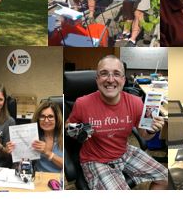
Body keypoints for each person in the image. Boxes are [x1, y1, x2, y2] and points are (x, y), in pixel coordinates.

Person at [66, 55, 167, 190]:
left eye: (116, 74)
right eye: (104, 74)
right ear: (97, 79)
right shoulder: (82, 103)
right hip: (96, 160)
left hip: (124, 151)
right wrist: (77, 130)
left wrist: (150, 130)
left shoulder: (135, 102)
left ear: (124, 80)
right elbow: (68, 127)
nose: (110, 79)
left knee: (165, 178)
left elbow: (144, 135)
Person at [7, 100, 63, 173]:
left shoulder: (62, 136)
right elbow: (25, 162)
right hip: (39, 177)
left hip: (59, 179)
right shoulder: (34, 136)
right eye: (42, 116)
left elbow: (67, 166)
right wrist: (14, 151)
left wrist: (47, 152)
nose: (46, 120)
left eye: (50, 116)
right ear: (38, 119)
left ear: (57, 119)